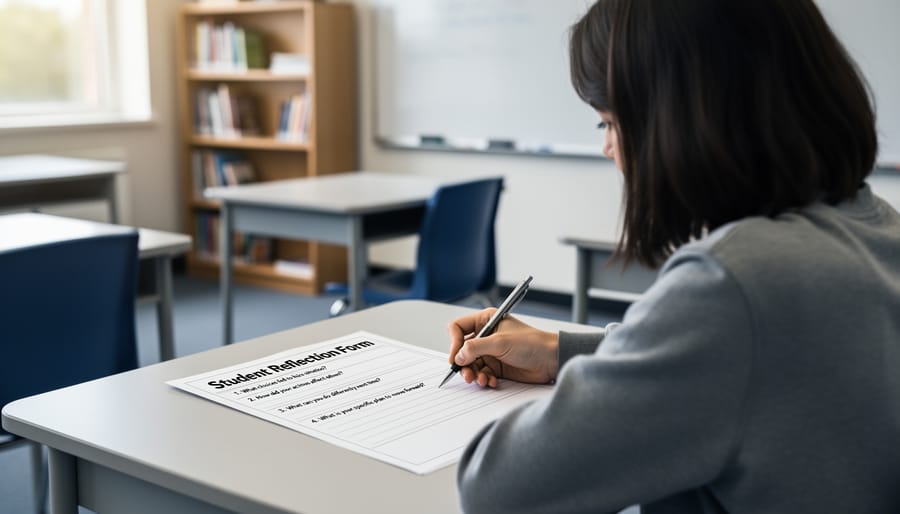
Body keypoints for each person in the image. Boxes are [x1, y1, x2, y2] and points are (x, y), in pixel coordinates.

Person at [447, 0, 900, 512]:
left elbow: (496, 490)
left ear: (679, 119)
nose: (608, 148)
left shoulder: (737, 283)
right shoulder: (876, 225)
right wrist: (557, 350)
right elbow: (737, 371)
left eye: (609, 123)